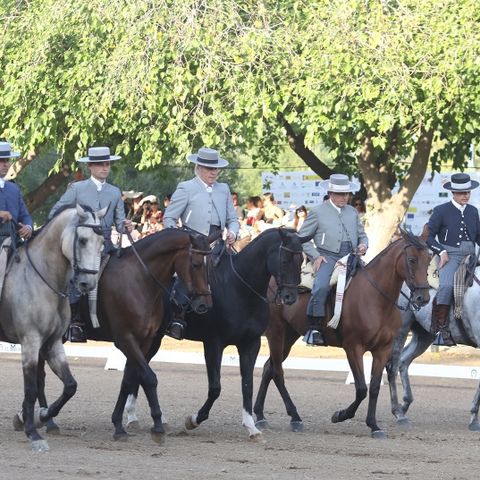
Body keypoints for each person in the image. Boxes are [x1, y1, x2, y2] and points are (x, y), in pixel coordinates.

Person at [48, 146, 133, 342]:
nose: (105, 168)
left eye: (108, 164)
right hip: (81, 243)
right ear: (91, 167)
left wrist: (125, 225)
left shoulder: (114, 192)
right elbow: (55, 213)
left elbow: (119, 224)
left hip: (105, 243)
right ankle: (75, 321)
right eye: (101, 164)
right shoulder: (76, 189)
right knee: (77, 276)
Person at [163, 146, 240, 340]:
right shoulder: (186, 187)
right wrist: (179, 241)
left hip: (219, 244)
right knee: (186, 275)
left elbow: (233, 218)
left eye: (216, 169)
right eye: (209, 168)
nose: (214, 172)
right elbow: (169, 218)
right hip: (193, 244)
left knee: (239, 274)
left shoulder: (224, 189)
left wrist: (233, 232)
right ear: (198, 168)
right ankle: (178, 318)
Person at [299, 174, 368, 346]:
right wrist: (316, 256)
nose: (344, 197)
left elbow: (362, 235)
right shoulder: (317, 211)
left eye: (346, 194)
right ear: (330, 193)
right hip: (327, 257)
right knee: (321, 286)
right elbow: (302, 238)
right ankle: (314, 328)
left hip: (351, 257)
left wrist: (364, 246)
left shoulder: (352, 212)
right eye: (339, 194)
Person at [426, 173, 480, 347]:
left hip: (471, 255)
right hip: (450, 256)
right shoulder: (441, 210)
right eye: (462, 192)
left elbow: (478, 236)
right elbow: (429, 237)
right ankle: (441, 330)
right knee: (447, 285)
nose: (466, 195)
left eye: (468, 192)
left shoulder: (473, 211)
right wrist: (441, 251)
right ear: (453, 193)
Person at [0, 142, 33, 245]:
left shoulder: (14, 188)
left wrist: (28, 227)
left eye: (7, 160)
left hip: (15, 243)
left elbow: (25, 216)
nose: (6, 164)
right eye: (1, 161)